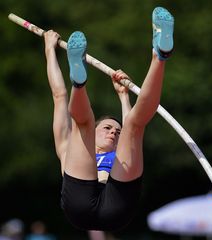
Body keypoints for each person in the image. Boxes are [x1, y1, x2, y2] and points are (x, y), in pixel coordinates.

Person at [43, 6, 174, 232]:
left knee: (115, 126)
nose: (114, 132)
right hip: (106, 207)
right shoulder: (69, 148)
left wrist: (124, 97)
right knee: (119, 127)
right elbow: (58, 95)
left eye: (116, 131)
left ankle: (159, 54)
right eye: (108, 128)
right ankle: (158, 58)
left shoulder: (85, 151)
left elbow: (59, 97)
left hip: (100, 206)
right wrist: (49, 50)